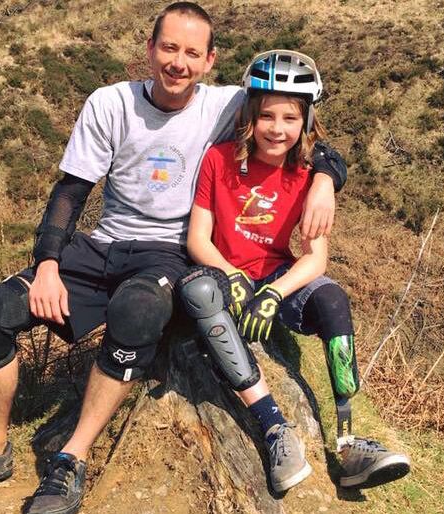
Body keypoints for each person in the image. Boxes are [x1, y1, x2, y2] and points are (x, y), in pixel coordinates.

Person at [0, 4, 347, 514]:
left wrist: (325, 180)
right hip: (103, 244)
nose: (179, 63)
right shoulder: (110, 103)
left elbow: (299, 128)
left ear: (210, 61)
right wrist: (48, 264)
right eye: (169, 48)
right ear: (150, 48)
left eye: (192, 53)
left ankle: (72, 458)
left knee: (137, 312)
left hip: (168, 253)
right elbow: (70, 191)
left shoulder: (228, 105)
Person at [177, 49, 411, 492]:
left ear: (306, 121)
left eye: (290, 118)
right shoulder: (219, 160)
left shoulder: (308, 175)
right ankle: (274, 428)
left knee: (332, 300)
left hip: (274, 275)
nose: (277, 128)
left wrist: (274, 293)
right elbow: (198, 239)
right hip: (224, 273)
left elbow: (315, 258)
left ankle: (348, 444)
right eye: (267, 115)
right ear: (249, 115)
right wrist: (232, 275)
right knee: (201, 293)